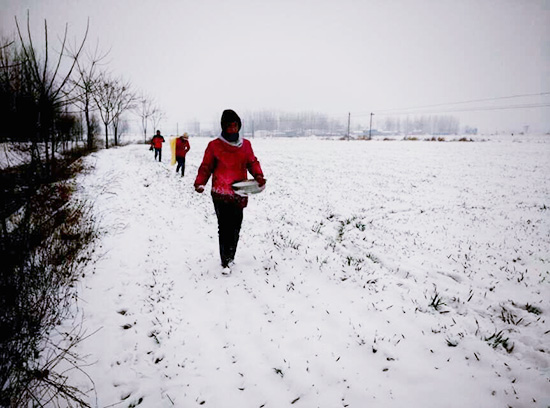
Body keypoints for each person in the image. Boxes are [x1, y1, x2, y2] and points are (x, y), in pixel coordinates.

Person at [194, 109, 266, 269]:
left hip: (239, 191)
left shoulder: (246, 145)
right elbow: (206, 166)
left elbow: (252, 162)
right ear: (223, 127)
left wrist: (259, 176)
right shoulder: (214, 146)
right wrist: (200, 182)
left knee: (236, 226)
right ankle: (225, 260)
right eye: (229, 126)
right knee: (224, 227)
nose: (233, 129)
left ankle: (231, 255)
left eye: (235, 125)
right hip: (220, 192)